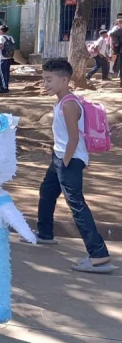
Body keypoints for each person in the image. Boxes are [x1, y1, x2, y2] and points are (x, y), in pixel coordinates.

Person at [31, 58, 112, 273]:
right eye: (44, 79)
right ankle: (45, 234)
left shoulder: (68, 104)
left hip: (68, 160)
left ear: (64, 80)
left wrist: (65, 163)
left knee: (77, 205)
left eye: (49, 79)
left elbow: (74, 139)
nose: (45, 84)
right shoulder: (62, 100)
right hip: (60, 157)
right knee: (47, 193)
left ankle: (98, 255)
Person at [0, 25, 14, 93]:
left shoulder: (0, 37)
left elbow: (1, 46)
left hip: (2, 58)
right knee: (7, 72)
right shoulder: (10, 38)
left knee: (2, 73)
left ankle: (4, 88)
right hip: (9, 57)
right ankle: (6, 86)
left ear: (1, 31)